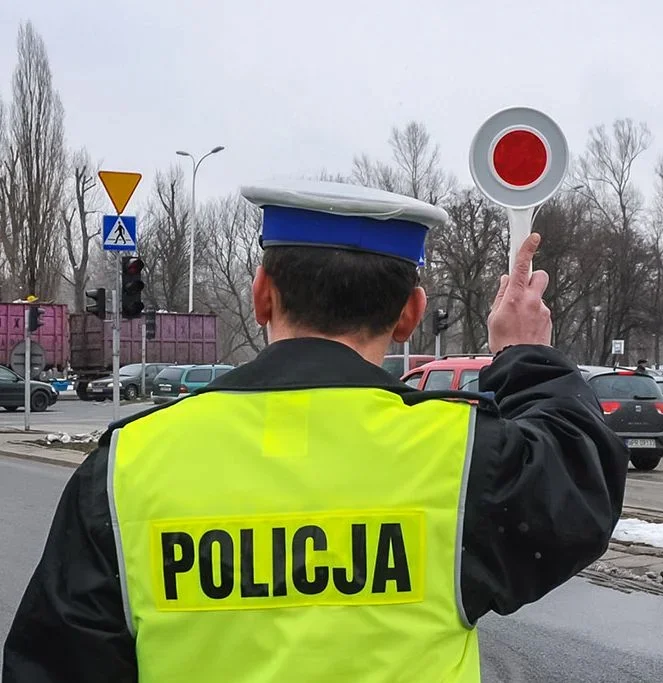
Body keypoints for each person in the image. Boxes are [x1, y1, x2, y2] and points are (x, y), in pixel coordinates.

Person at [2, 181, 628, 683]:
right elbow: (579, 481)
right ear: (411, 314)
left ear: (261, 296)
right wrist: (523, 353)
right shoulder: (464, 460)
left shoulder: (127, 465)